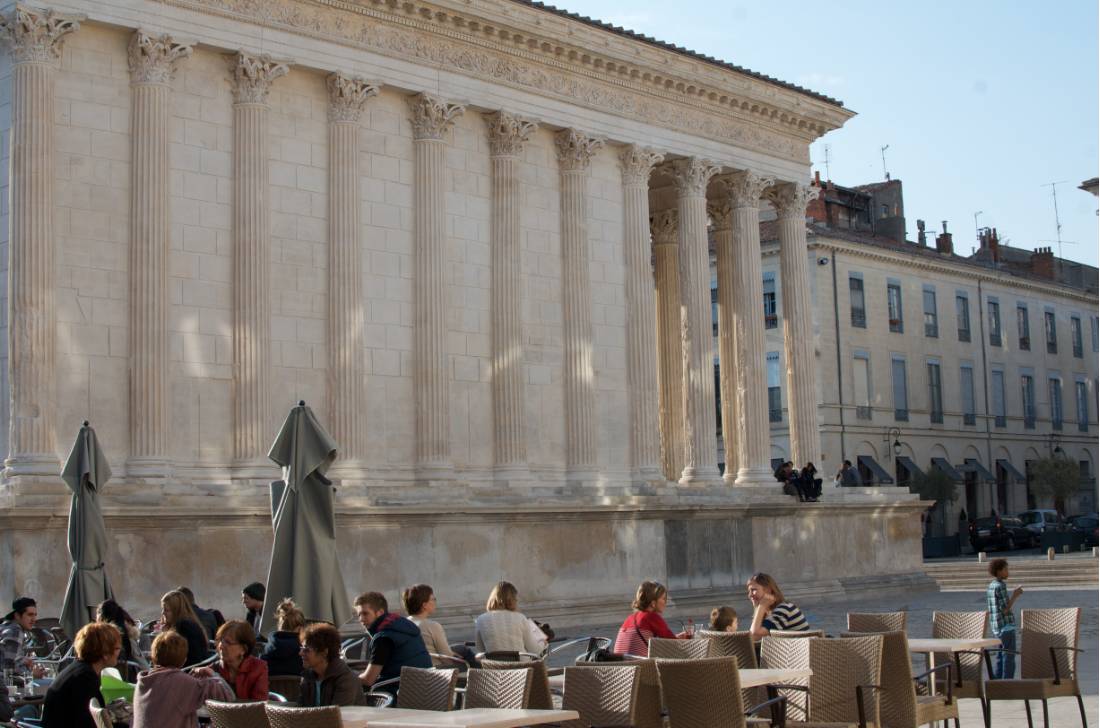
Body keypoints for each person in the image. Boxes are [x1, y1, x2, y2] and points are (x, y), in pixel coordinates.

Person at [132, 630, 234, 728]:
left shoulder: (143, 682)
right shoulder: (181, 682)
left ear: (153, 656)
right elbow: (229, 697)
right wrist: (212, 674)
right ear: (184, 659)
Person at [41, 621, 121, 728]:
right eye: (117, 648)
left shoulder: (77, 670)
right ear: (105, 652)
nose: (119, 652)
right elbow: (90, 722)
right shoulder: (84, 679)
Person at [355, 591, 432, 691]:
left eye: (365, 613)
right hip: (426, 689)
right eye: (359, 615)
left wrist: (348, 678)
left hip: (398, 694)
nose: (361, 619)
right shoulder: (404, 624)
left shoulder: (383, 638)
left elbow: (368, 679)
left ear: (380, 612)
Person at [194, 620, 268, 701]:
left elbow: (259, 705)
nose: (220, 646)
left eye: (228, 642)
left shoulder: (258, 668)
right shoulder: (213, 669)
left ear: (243, 649)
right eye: (220, 640)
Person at [612, 580, 689, 657]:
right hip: (640, 666)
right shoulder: (652, 617)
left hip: (621, 666)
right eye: (663, 598)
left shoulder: (630, 618)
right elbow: (675, 645)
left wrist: (675, 638)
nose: (666, 602)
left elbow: (668, 640)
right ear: (653, 603)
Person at [473, 581, 549, 658]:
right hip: (521, 668)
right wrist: (543, 643)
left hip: (495, 667)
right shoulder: (520, 618)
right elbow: (534, 650)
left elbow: (480, 648)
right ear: (513, 599)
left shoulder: (480, 619)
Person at [299, 623, 366, 706]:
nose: (300, 653)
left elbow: (338, 714)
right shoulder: (307, 677)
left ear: (324, 652)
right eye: (301, 649)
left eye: (306, 650)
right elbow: (301, 708)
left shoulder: (345, 679)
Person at [403, 584, 468, 667]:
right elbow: (447, 659)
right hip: (436, 672)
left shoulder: (403, 623)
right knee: (469, 660)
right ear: (424, 605)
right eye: (433, 599)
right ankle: (483, 674)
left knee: (462, 649)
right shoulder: (432, 626)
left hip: (411, 671)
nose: (435, 602)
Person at [986, 558, 1024, 679]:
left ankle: (997, 681)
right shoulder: (1001, 586)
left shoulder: (991, 585)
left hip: (996, 626)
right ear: (999, 571)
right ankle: (1008, 683)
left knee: (1000, 656)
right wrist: (1015, 595)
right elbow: (1005, 609)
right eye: (1006, 569)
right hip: (1006, 626)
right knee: (1009, 656)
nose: (1008, 572)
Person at [747, 573, 808, 638]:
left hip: (796, 648)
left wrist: (762, 605)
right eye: (749, 591)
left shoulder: (784, 609)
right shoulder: (769, 612)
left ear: (768, 590)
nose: (750, 595)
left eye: (753, 590)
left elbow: (754, 635)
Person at [159, 590, 210, 666]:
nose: (163, 613)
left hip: (189, 671)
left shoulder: (185, 626)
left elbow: (190, 658)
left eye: (166, 610)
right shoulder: (186, 622)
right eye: (163, 609)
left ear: (176, 611)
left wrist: (164, 636)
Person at [96, 599, 146, 676]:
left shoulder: (98, 638)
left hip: (104, 678)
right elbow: (143, 665)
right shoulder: (128, 637)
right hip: (125, 680)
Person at [0, 597, 45, 678]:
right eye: (30, 615)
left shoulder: (6, 626)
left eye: (35, 615)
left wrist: (24, 660)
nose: (34, 619)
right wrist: (32, 674)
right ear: (17, 616)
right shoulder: (15, 632)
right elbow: (9, 669)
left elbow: (6, 657)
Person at [261, 598, 305, 676]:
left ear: (280, 625)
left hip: (270, 688)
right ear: (299, 628)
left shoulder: (266, 651)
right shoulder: (304, 656)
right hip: (297, 688)